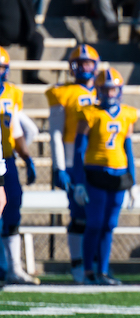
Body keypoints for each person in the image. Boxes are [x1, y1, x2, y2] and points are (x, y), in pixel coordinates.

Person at [71, 67, 137, 285]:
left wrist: (133, 181)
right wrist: (78, 182)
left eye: (113, 90)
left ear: (119, 90)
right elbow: (79, 150)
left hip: (119, 174)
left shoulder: (127, 114)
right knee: (95, 223)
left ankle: (104, 271)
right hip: (95, 172)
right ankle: (88, 270)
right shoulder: (89, 113)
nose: (109, 94)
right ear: (98, 90)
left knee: (109, 224)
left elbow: (128, 148)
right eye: (105, 90)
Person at [47, 44, 98, 283]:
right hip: (72, 160)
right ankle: (78, 265)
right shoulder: (62, 93)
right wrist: (59, 167)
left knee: (97, 217)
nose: (84, 67)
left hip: (99, 161)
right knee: (79, 215)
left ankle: (95, 265)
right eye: (80, 63)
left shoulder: (104, 90)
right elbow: (56, 133)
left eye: (88, 63)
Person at [0, 46, 36, 284]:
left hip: (6, 157)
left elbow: (16, 128)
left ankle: (13, 266)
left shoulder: (13, 92)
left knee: (12, 205)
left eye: (1, 67)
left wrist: (26, 155)